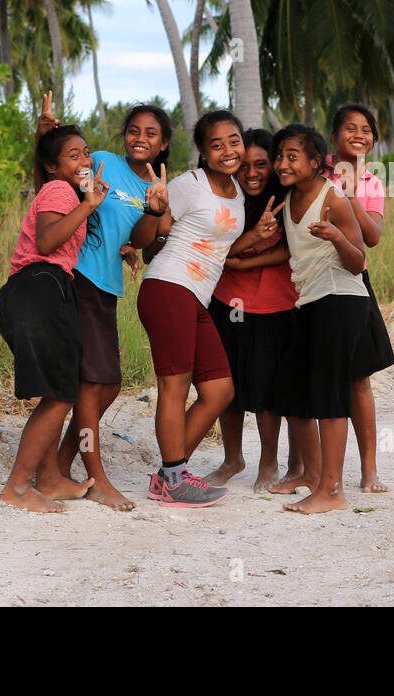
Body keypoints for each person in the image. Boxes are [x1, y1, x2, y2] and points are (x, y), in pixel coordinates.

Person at [36, 95, 172, 511]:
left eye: (151, 133)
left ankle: (57, 466)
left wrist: (152, 211)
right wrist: (43, 130)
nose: (140, 138)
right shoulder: (102, 162)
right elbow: (58, 164)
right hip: (80, 277)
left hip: (108, 287)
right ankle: (95, 479)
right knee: (92, 384)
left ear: (164, 143)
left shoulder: (155, 185)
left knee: (108, 384)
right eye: (134, 130)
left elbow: (146, 240)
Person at [0, 126, 108, 512]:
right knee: (60, 394)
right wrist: (88, 205)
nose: (85, 160)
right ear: (53, 167)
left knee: (59, 388)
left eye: (86, 152)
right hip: (40, 288)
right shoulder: (59, 191)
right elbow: (45, 242)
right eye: (73, 155)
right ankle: (19, 487)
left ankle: (52, 479)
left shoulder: (63, 191)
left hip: (34, 292)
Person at [137, 110, 246, 507]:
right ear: (203, 151)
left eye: (234, 141)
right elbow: (155, 238)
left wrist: (259, 236)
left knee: (219, 390)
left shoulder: (238, 192)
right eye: (216, 145)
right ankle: (173, 475)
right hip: (169, 286)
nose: (227, 150)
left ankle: (169, 473)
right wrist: (155, 208)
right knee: (175, 386)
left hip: (196, 295)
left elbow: (223, 248)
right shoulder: (189, 184)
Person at [270, 124, 368, 514]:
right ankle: (311, 475)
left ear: (315, 162)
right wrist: (238, 259)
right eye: (279, 156)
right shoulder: (288, 197)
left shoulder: (334, 199)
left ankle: (333, 490)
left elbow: (359, 261)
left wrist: (335, 236)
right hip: (309, 301)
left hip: (341, 298)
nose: (281, 163)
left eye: (292, 156)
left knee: (330, 396)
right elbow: (289, 254)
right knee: (293, 391)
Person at [202, 129, 300, 492]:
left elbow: (293, 248)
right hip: (227, 301)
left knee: (267, 390)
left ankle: (269, 463)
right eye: (244, 165)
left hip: (276, 304)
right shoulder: (225, 200)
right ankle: (232, 459)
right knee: (227, 385)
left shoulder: (288, 198)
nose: (252, 172)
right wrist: (247, 249)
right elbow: (216, 250)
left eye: (261, 164)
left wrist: (244, 263)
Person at [327, 104, 394, 492]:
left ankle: (369, 471)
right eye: (350, 128)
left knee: (358, 379)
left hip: (353, 281)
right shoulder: (314, 171)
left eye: (366, 129)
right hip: (308, 282)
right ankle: (302, 468)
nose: (359, 134)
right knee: (312, 377)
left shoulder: (371, 182)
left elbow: (373, 236)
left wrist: (352, 196)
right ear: (334, 135)